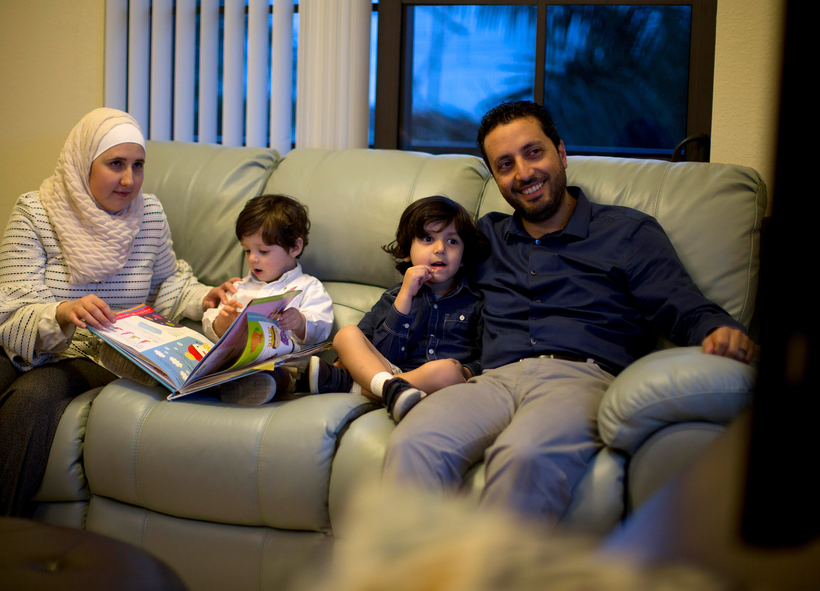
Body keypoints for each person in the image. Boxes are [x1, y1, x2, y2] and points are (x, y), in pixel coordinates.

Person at [382, 101, 756, 523]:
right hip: (490, 380)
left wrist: (720, 330)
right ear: (496, 177)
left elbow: (685, 308)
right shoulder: (484, 238)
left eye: (533, 152)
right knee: (413, 444)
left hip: (580, 377)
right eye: (505, 164)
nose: (523, 173)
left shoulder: (627, 232)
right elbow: (426, 262)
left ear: (560, 153)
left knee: (523, 455)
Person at [0, 108, 228, 517]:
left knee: (33, 401)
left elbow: (168, 283)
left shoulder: (149, 214)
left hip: (93, 347)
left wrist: (207, 298)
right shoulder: (34, 210)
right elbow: (10, 303)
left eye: (138, 165)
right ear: (83, 162)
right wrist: (61, 310)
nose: (129, 179)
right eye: (116, 164)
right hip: (7, 338)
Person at [308, 196, 486, 422]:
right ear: (406, 252)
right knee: (346, 335)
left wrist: (466, 371)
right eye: (428, 238)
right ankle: (392, 389)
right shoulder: (395, 295)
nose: (440, 249)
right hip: (387, 369)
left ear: (463, 258)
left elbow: (486, 356)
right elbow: (370, 347)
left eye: (452, 242)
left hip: (436, 378)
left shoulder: (475, 301)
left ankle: (359, 387)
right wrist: (405, 297)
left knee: (447, 371)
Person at [202, 194, 334, 405]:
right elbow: (210, 321)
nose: (253, 258)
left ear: (295, 248)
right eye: (247, 250)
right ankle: (217, 384)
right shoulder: (239, 287)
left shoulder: (308, 286)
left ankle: (253, 387)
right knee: (203, 363)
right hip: (234, 363)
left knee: (280, 374)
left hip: (281, 367)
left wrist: (300, 322)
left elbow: (322, 325)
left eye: (263, 251)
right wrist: (221, 324)